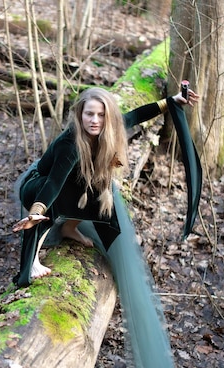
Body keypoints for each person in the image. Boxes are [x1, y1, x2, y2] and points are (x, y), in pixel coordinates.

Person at [12, 86, 200, 288]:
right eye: (89, 114)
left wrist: (172, 101)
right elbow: (53, 183)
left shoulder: (109, 129)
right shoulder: (71, 144)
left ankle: (69, 227)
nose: (95, 120)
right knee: (61, 197)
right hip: (39, 186)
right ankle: (33, 262)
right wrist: (36, 211)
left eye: (101, 115)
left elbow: (136, 115)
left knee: (100, 189)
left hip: (65, 183)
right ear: (80, 114)